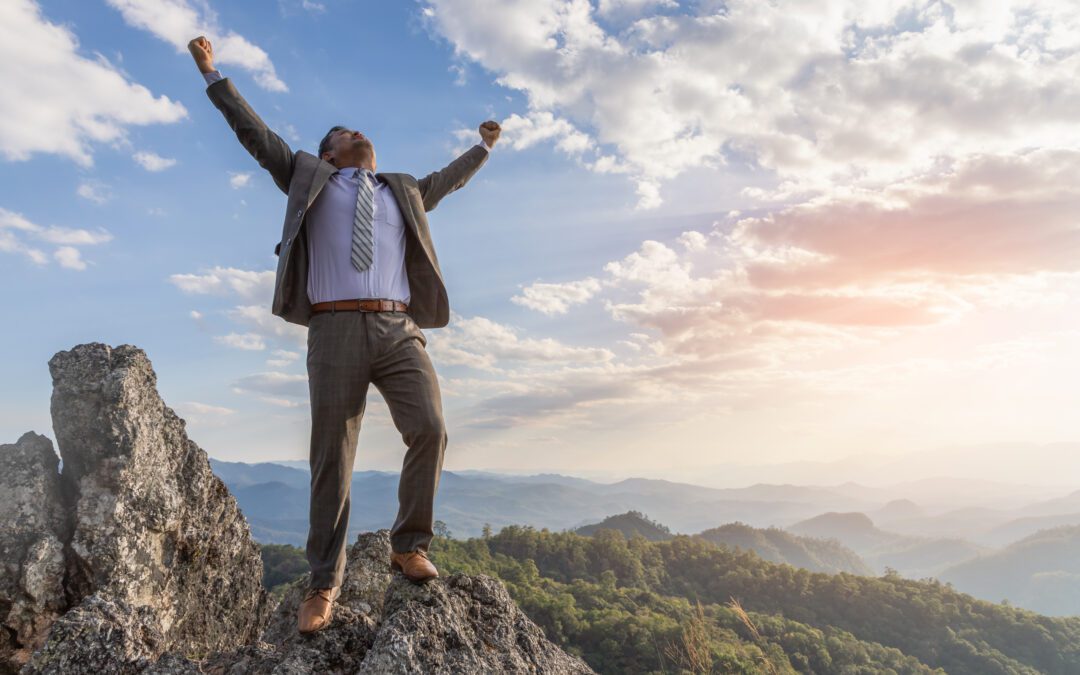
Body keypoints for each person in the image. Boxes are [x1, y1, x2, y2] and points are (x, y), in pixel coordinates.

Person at [186, 36, 500, 635]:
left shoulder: (402, 189)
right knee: (333, 457)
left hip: (397, 326)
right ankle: (323, 584)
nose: (360, 135)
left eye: (362, 132)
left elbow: (448, 180)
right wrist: (212, 74)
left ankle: (408, 545)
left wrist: (482, 148)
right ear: (329, 153)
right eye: (347, 133)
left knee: (431, 429)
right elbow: (256, 135)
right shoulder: (309, 178)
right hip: (333, 328)